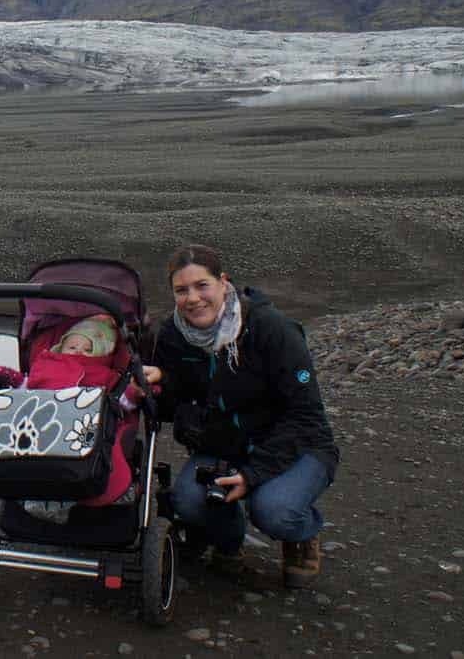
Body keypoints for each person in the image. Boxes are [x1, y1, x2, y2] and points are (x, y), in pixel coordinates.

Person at [142, 245, 339, 588]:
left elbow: (306, 416)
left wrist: (252, 474)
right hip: (226, 446)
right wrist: (164, 384)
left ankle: (301, 533)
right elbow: (176, 401)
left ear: (223, 282)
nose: (193, 298)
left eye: (201, 285)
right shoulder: (174, 337)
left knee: (273, 510)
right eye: (181, 290)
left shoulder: (270, 329)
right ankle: (228, 543)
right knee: (187, 501)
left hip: (296, 446)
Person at [0, 313, 150, 521]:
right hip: (44, 425)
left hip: (85, 431)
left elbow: (123, 399)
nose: (78, 353)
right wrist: (4, 375)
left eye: (88, 350)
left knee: (91, 463)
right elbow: (27, 385)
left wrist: (136, 391)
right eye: (73, 347)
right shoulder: (46, 365)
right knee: (33, 457)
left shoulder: (104, 375)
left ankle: (65, 502)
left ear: (102, 355)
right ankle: (41, 497)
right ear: (61, 347)